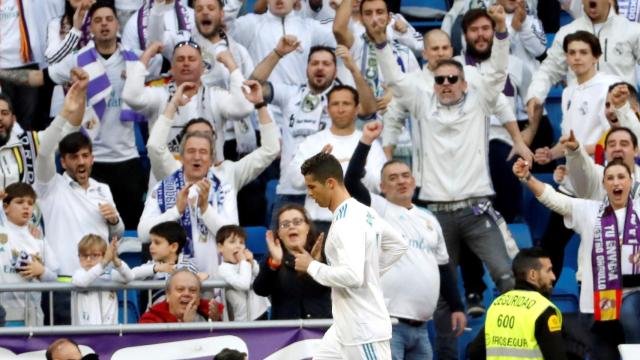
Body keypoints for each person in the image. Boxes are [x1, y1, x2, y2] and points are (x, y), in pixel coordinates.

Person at [371, 6, 518, 359]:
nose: (447, 85)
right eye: (440, 80)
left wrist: (500, 32)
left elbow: (497, 70)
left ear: (465, 81)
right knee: (440, 295)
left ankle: (512, 348)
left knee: (508, 278)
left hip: (477, 208)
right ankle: (449, 357)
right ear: (432, 83)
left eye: (453, 79)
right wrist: (380, 43)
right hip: (435, 214)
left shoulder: (481, 98)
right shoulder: (421, 103)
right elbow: (395, 79)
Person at [0, 1, 149, 229]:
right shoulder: (78, 59)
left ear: (118, 24)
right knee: (91, 229)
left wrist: (148, 57)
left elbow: (172, 64)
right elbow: (38, 79)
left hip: (127, 159)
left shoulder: (137, 60)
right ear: (90, 28)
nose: (104, 25)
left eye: (109, 19)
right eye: (97, 21)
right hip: (89, 160)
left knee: (130, 231)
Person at [344, 121, 467, 360]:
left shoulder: (429, 218)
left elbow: (443, 268)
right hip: (387, 327)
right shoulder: (377, 208)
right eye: (393, 178)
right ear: (382, 187)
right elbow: (350, 182)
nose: (401, 181)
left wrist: (457, 306)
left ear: (413, 181)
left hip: (421, 328)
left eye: (405, 176)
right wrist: (366, 142)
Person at [137, 80, 279, 279]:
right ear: (182, 153)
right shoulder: (168, 178)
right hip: (172, 284)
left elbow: (270, 149)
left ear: (212, 153)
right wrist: (176, 211)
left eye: (203, 149)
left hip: (216, 283)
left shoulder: (225, 180)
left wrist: (205, 209)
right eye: (191, 150)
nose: (197, 156)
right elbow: (154, 147)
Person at [514, 157, 640, 359]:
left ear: (630, 182)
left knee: (630, 314)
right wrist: (527, 177)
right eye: (610, 178)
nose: (616, 182)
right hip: (597, 304)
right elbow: (553, 198)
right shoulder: (589, 211)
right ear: (603, 184)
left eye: (621, 177)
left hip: (633, 296)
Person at [293, 151, 407, 359]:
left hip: (363, 331)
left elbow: (353, 276)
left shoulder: (346, 222)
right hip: (344, 328)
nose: (309, 193)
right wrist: (369, 272)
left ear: (330, 183)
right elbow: (398, 245)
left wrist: (311, 266)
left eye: (312, 186)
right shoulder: (363, 211)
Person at [35, 68, 124, 324]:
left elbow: (117, 234)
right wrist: (65, 111)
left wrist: (115, 221)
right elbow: (44, 152)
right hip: (64, 284)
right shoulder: (50, 186)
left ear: (92, 158)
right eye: (74, 157)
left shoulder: (102, 189)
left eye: (85, 155)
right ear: (63, 162)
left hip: (101, 282)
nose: (81, 161)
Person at [251, 39, 376, 212]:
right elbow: (253, 85)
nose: (320, 67)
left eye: (326, 64)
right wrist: (277, 53)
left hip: (326, 194)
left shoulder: (341, 100)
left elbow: (369, 108)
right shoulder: (291, 94)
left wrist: (354, 69)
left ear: (335, 70)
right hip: (289, 191)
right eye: (315, 63)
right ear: (307, 68)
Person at [122, 39, 254, 165]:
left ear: (203, 67)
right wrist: (146, 55)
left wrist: (232, 65)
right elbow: (131, 96)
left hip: (208, 183)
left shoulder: (216, 96)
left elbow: (243, 108)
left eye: (192, 59)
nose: (186, 63)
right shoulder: (159, 95)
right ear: (171, 69)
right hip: (167, 183)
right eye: (180, 59)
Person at [525, 0, 640, 142]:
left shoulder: (632, 30)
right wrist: (535, 94)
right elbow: (548, 70)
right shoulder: (567, 32)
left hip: (620, 121)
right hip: (582, 123)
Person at [287, 85, 386, 232]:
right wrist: (316, 166)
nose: (340, 109)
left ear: (357, 108)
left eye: (346, 104)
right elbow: (295, 181)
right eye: (335, 104)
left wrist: (356, 170)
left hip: (358, 224)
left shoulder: (370, 142)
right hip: (318, 223)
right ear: (327, 109)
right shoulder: (312, 142)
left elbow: (378, 184)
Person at [467, 247, 567, 360]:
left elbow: (475, 352)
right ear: (532, 275)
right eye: (548, 270)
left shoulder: (497, 305)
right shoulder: (543, 309)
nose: (553, 276)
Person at [226, 0, 336, 87]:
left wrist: (341, 7)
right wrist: (236, 1)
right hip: (261, 106)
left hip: (295, 108)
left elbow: (342, 35)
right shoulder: (251, 24)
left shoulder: (309, 27)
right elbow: (222, 30)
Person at [333, 0, 420, 106]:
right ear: (361, 19)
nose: (374, 19)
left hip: (396, 119)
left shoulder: (405, 54)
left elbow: (419, 93)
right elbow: (338, 29)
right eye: (368, 13)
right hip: (363, 118)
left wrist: (397, 96)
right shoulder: (355, 45)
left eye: (379, 12)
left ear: (389, 18)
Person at [252, 203, 332, 319]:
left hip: (320, 331)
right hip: (287, 333)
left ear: (307, 228)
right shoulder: (273, 259)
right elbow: (260, 290)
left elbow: (335, 285)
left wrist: (315, 264)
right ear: (279, 233)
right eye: (285, 224)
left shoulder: (324, 254)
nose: (291, 227)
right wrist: (275, 263)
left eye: (297, 222)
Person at [0, 182, 59, 326]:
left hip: (32, 315)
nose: (26, 206)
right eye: (20, 202)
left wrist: (42, 271)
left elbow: (54, 277)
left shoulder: (38, 239)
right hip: (2, 311)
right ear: (5, 207)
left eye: (30, 203)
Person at [131, 221, 203, 306]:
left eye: (157, 243)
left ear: (173, 247)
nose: (151, 246)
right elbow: (131, 275)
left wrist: (199, 277)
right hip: (156, 316)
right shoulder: (152, 266)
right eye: (151, 242)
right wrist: (155, 268)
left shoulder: (188, 266)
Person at [71, 234, 134, 325]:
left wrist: (115, 260)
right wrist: (104, 263)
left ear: (104, 255)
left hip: (109, 333)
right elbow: (83, 281)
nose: (88, 259)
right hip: (83, 334)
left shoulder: (110, 274)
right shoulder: (78, 273)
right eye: (84, 255)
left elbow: (129, 277)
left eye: (95, 255)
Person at [216, 225, 270, 321]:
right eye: (232, 242)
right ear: (220, 247)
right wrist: (243, 262)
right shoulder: (223, 269)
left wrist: (252, 263)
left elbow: (261, 277)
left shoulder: (246, 262)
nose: (238, 246)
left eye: (241, 242)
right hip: (244, 320)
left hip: (262, 311)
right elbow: (244, 284)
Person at [139, 268, 223, 323]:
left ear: (198, 297)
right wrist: (186, 326)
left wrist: (215, 322)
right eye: (180, 289)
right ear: (168, 296)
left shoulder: (208, 315)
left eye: (192, 290)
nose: (186, 294)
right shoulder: (151, 320)